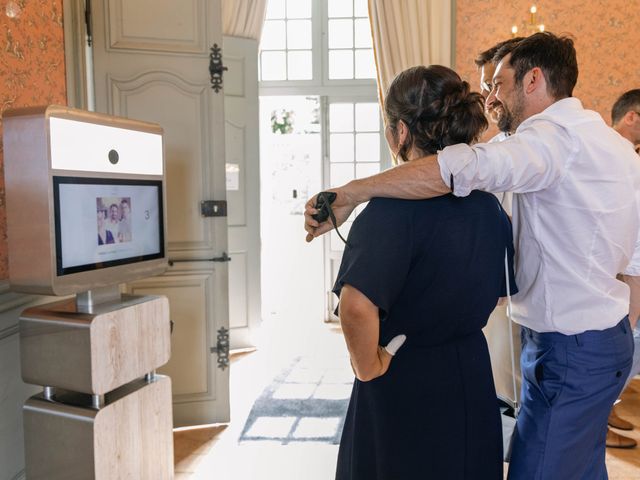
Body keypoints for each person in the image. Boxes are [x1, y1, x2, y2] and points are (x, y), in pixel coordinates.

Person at [305, 32, 640, 479]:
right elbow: (630, 263)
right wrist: (616, 334)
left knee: (539, 471)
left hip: (553, 352)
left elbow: (456, 168)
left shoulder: (549, 143)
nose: (491, 97)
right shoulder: (609, 145)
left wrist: (352, 193)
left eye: (498, 84)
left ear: (533, 80)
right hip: (569, 347)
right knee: (575, 465)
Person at [333, 64, 516, 480]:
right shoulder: (487, 205)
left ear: (400, 132)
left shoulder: (386, 212)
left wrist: (367, 366)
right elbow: (503, 292)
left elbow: (356, 307)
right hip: (469, 368)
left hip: (402, 372)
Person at [605, 88, 640, 449]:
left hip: (630, 267)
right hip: (621, 269)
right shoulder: (614, 157)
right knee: (630, 343)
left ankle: (609, 408)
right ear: (631, 116)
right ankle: (601, 417)